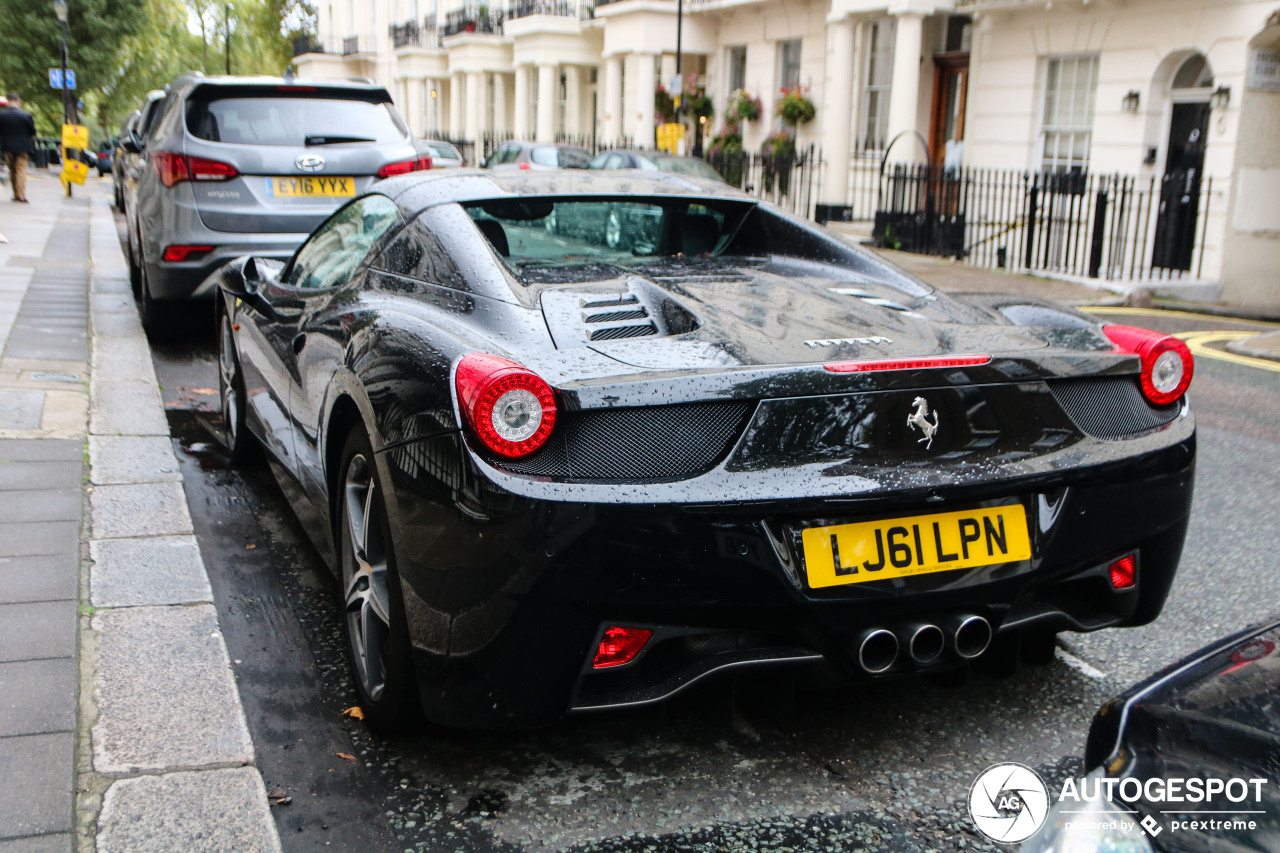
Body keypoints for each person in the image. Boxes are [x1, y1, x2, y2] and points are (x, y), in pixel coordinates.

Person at [0, 93, 37, 203]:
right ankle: (21, 194)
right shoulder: (26, 115)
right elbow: (32, 131)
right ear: (17, 101)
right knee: (21, 170)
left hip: (7, 146)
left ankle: (15, 193)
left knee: (12, 170)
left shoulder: (1, 115)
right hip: (23, 147)